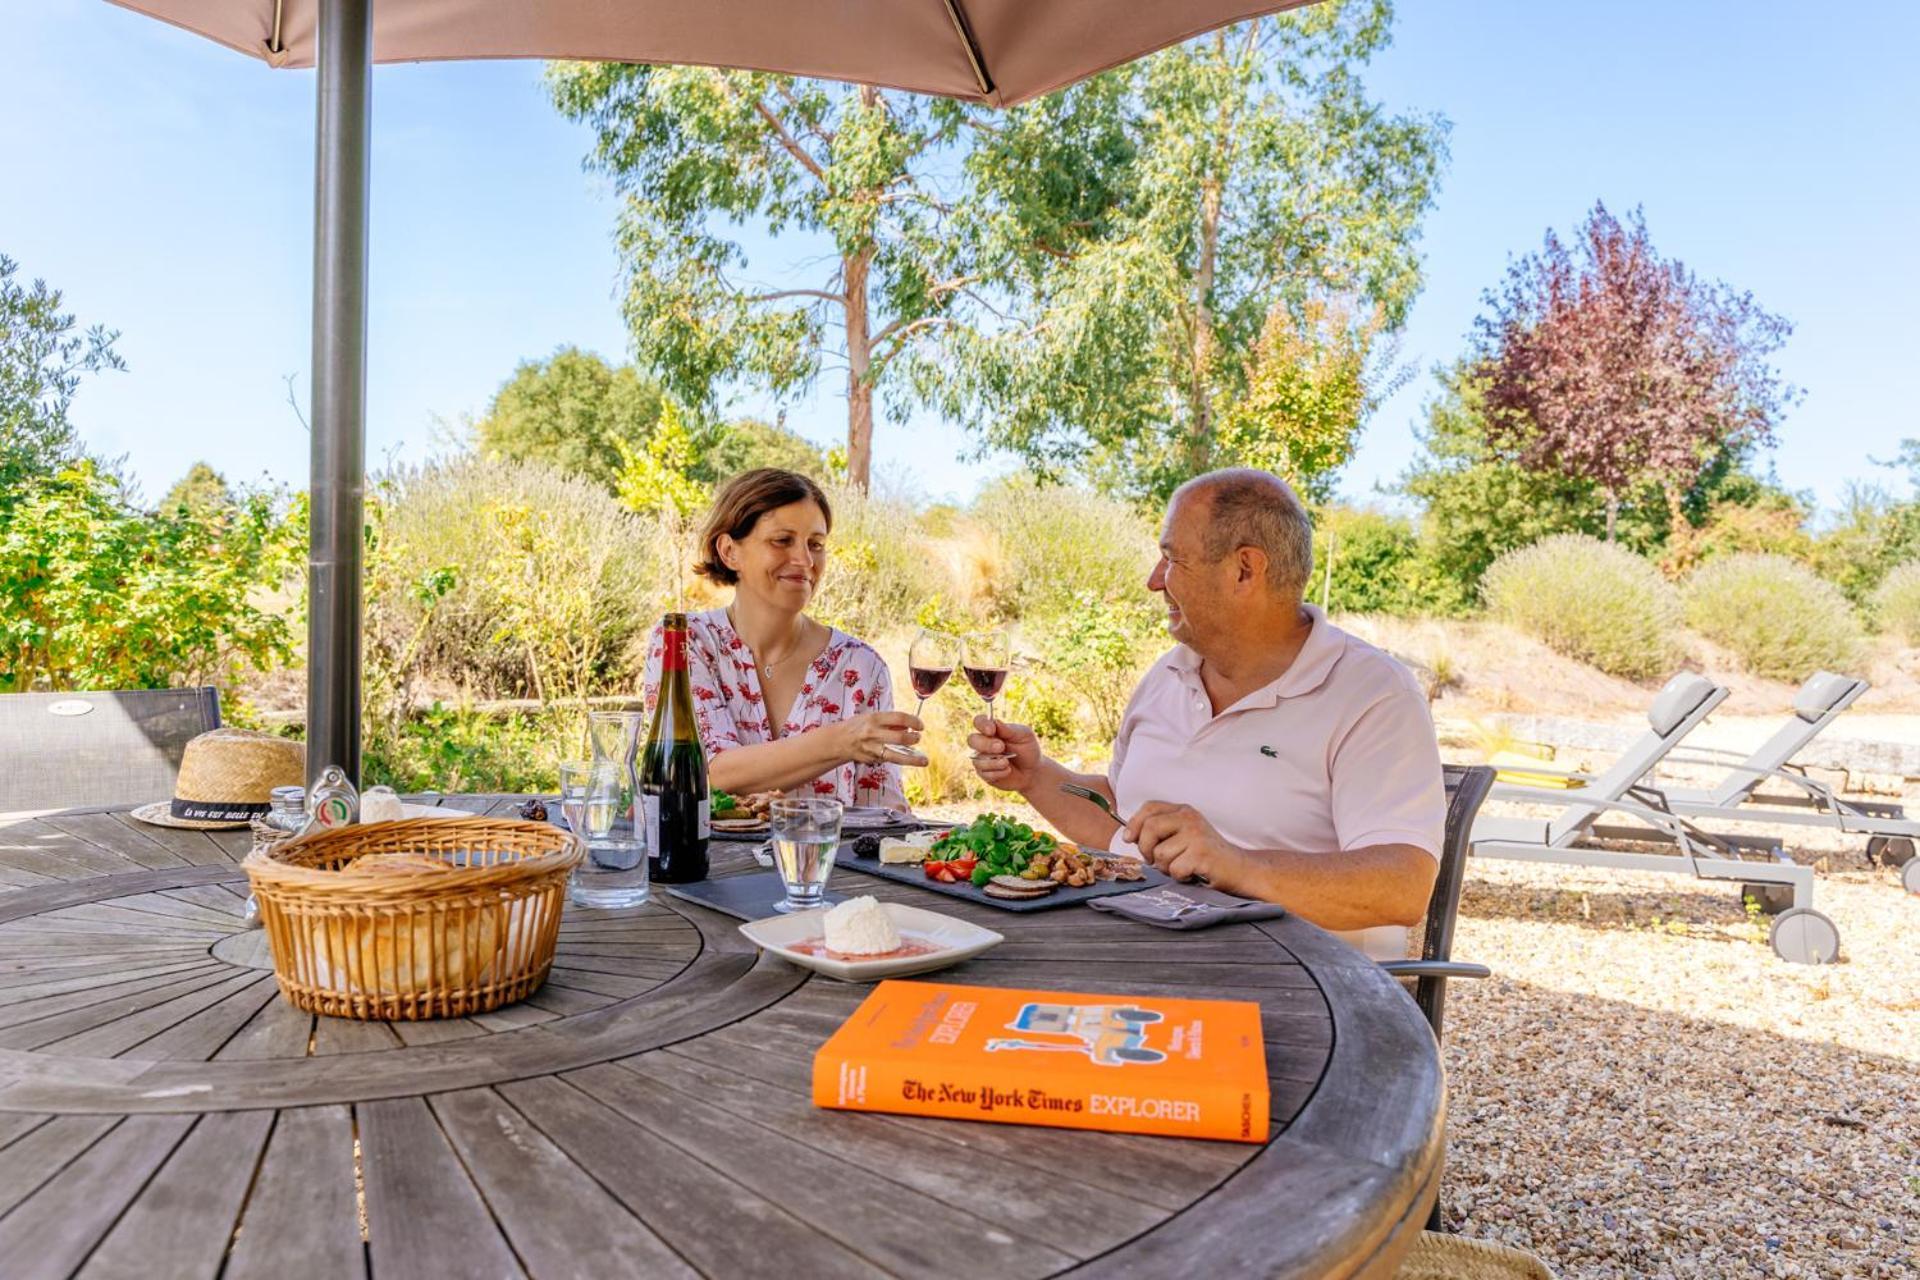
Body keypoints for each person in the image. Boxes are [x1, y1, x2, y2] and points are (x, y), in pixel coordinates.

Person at [969, 468, 1444, 959]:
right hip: (1146, 955)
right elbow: (1124, 819)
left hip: (1299, 984)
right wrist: (1036, 776)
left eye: (1172, 559)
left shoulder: (1371, 692)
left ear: (1244, 570)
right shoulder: (1166, 676)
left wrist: (1238, 865)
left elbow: (1403, 885)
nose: (1154, 581)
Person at [641, 468, 922, 809]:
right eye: (782, 540)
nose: (805, 560)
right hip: (703, 862)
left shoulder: (861, 666)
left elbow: (881, 813)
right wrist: (841, 741)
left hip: (826, 865)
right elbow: (700, 773)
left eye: (815, 545)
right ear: (730, 551)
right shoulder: (685, 642)